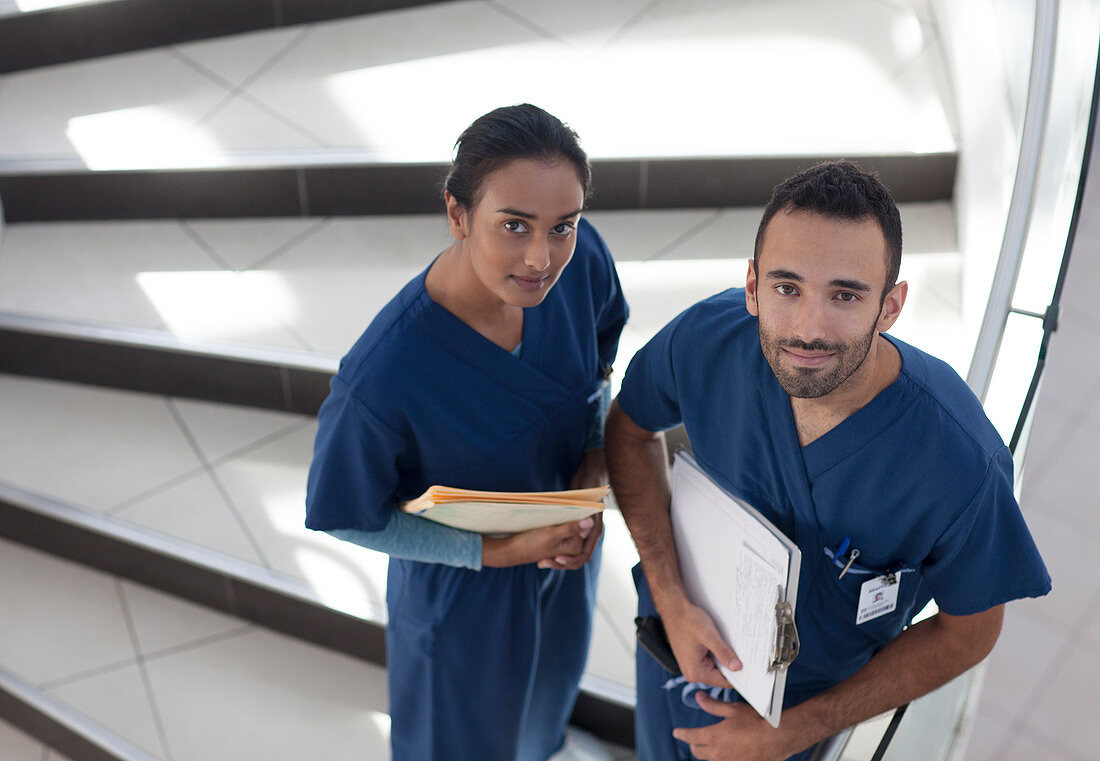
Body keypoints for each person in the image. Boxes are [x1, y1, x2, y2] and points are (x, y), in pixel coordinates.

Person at [604, 161, 1050, 761]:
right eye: (787, 288)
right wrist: (671, 598)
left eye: (844, 295)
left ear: (890, 306)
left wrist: (796, 730)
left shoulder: (957, 463)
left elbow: (968, 632)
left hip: (805, 706)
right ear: (753, 288)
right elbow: (628, 433)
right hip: (681, 635)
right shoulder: (708, 341)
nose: (809, 329)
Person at [305, 104, 628, 761]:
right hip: (462, 595)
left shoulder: (580, 260)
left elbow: (598, 364)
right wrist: (500, 551)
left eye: (560, 225)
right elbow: (343, 515)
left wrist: (593, 461)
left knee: (543, 709)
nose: (542, 257)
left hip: (565, 550)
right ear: (457, 214)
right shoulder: (386, 375)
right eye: (514, 225)